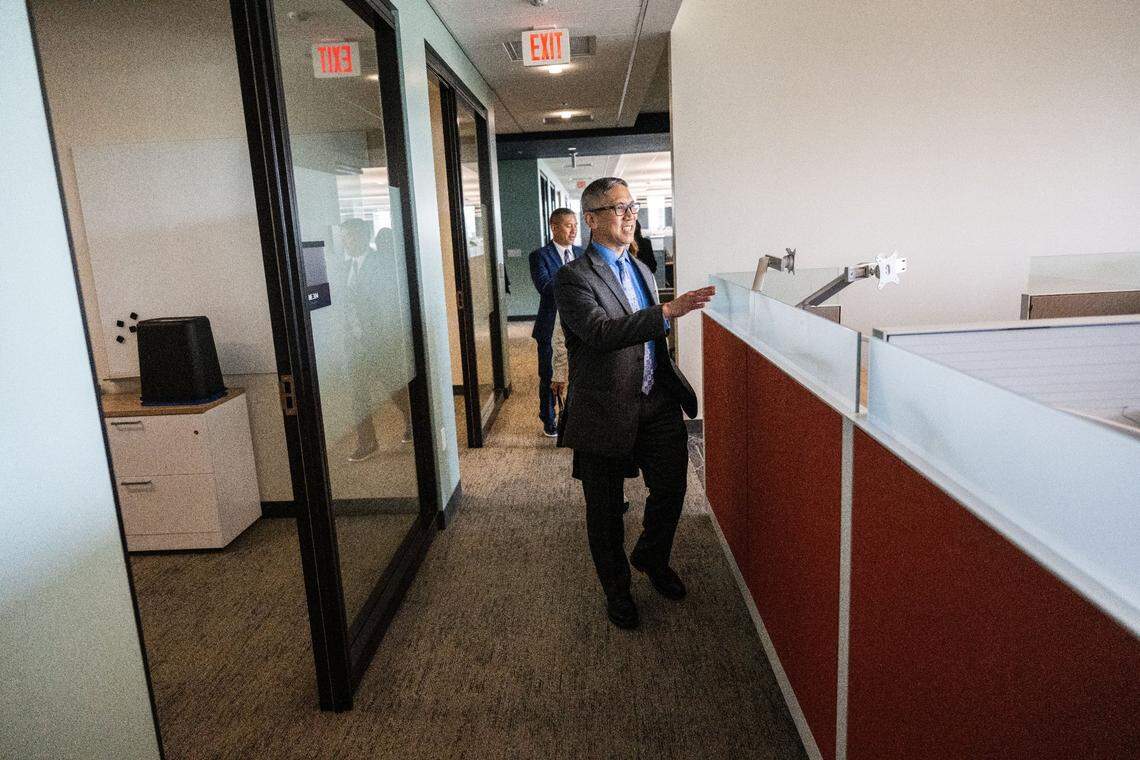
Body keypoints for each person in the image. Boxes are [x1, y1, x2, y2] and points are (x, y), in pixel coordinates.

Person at [554, 177, 715, 629]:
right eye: (619, 207)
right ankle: (617, 590)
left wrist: (664, 314)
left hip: (655, 399)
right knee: (604, 513)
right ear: (590, 219)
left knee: (673, 489)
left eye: (632, 206)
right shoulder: (572, 277)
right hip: (604, 408)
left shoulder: (642, 269)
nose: (630, 215)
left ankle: (651, 556)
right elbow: (601, 333)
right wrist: (666, 312)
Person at [333, 219, 413, 462]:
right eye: (344, 237)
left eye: (352, 236)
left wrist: (389, 337)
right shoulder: (344, 267)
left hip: (380, 341)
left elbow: (390, 303)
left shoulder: (382, 263)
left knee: (394, 386)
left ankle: (412, 419)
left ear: (364, 236)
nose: (347, 242)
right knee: (358, 394)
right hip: (354, 343)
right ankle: (367, 442)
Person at [528, 208, 583, 437]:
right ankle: (549, 418)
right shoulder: (539, 256)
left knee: (577, 374)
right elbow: (545, 288)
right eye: (569, 225)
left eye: (575, 225)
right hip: (550, 325)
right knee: (549, 375)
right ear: (554, 226)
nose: (574, 230)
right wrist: (576, 282)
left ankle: (573, 417)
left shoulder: (582, 253)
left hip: (579, 325)